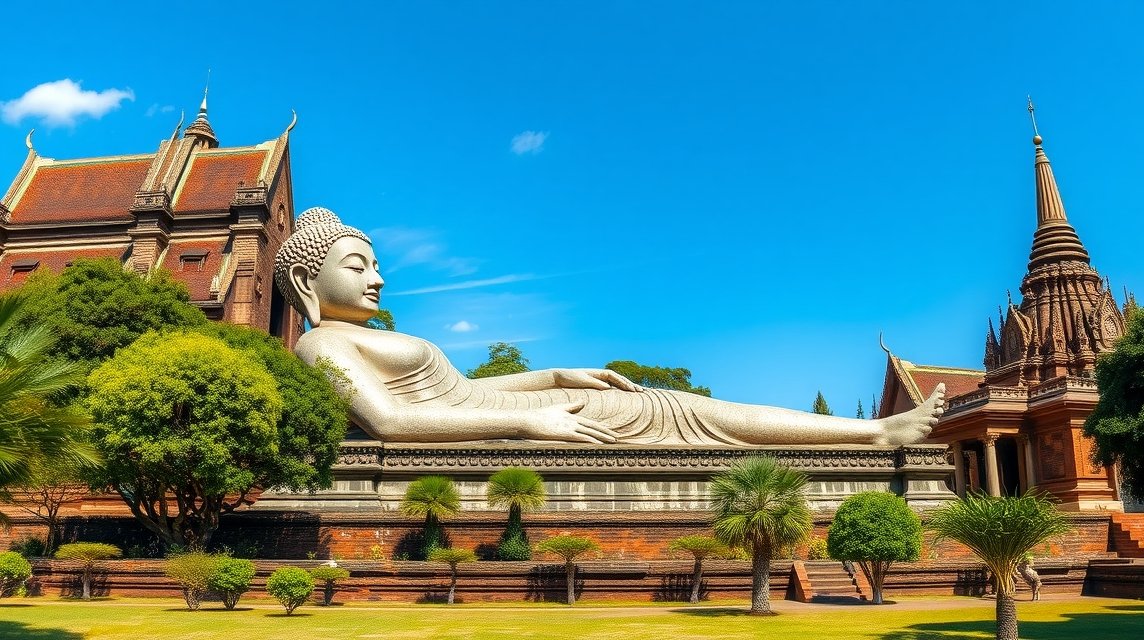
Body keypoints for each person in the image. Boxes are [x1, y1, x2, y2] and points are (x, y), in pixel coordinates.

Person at [275, 207, 945, 446]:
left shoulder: (362, 337)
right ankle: (873, 433)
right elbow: (391, 423)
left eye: (377, 264)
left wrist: (555, 377)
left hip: (533, 409)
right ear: (308, 282)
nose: (379, 278)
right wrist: (529, 422)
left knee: (685, 411)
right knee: (683, 413)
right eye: (358, 265)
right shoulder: (319, 343)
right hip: (528, 423)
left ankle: (873, 432)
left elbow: (470, 395)